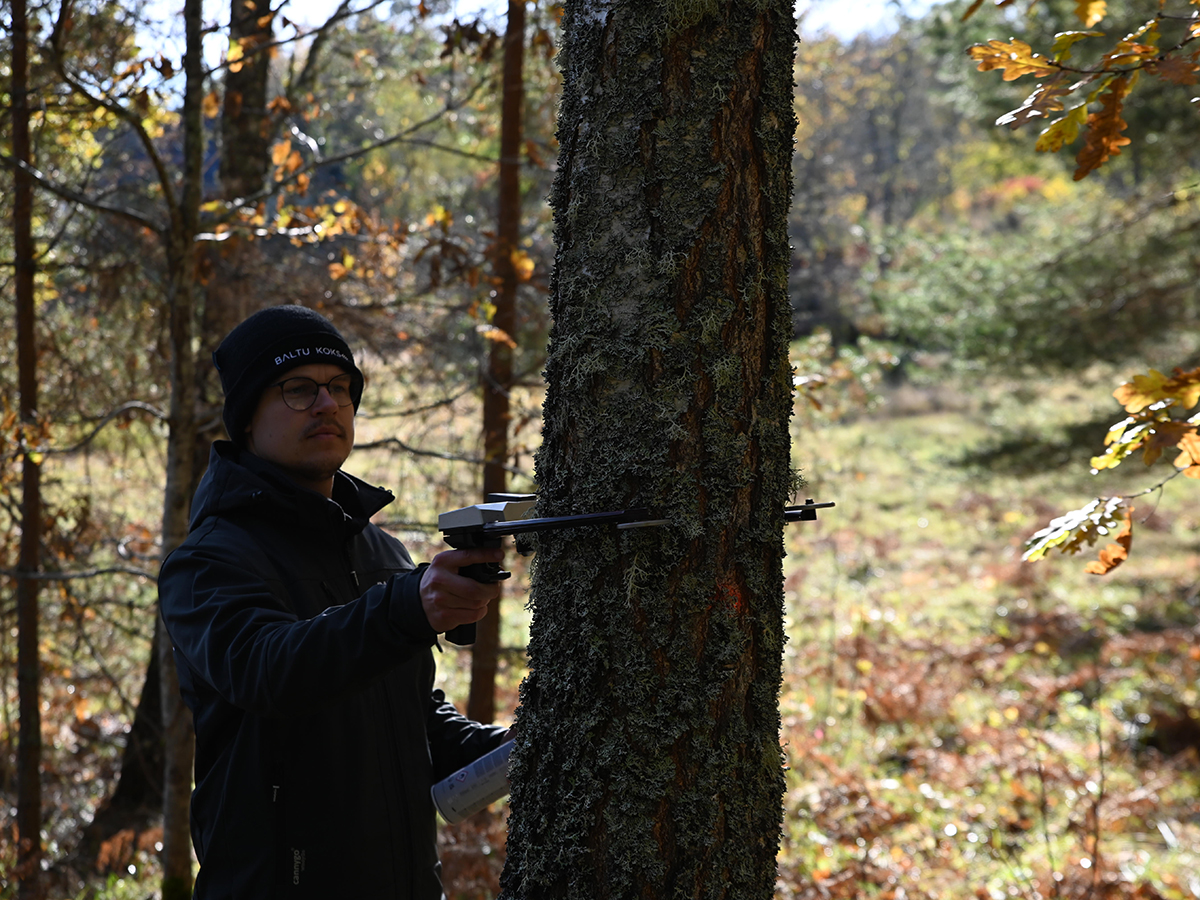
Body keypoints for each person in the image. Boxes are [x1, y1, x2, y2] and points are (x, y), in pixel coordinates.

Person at [159, 305, 510, 899]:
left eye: (340, 388)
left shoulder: (382, 552)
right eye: (297, 389)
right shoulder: (208, 563)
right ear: (247, 418)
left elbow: (410, 719)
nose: (326, 405)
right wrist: (407, 607)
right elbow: (270, 670)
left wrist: (518, 745)